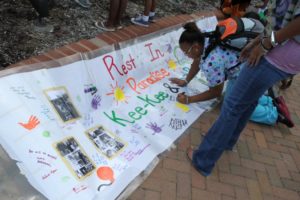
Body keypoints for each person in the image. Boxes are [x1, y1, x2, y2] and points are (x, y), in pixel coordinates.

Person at [186, 0, 300, 176]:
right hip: (285, 55)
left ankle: (203, 159)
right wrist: (258, 42)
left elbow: (216, 91)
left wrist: (265, 44)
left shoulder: (212, 59)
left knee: (232, 105)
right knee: (248, 101)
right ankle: (227, 141)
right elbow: (274, 22)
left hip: (277, 53)